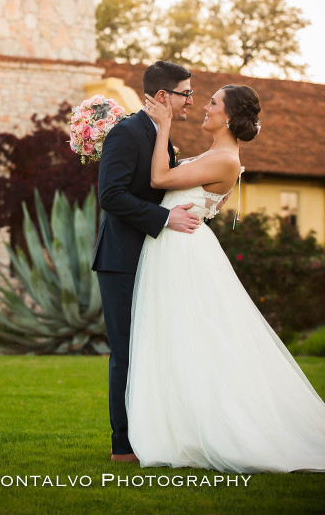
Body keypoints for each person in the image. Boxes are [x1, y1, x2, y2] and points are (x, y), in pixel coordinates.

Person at [126, 84, 325, 472]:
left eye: (213, 103)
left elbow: (160, 179)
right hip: (174, 243)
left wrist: (164, 124)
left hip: (182, 250)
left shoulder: (226, 160)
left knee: (194, 336)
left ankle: (215, 428)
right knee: (173, 335)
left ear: (229, 116)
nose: (205, 107)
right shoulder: (215, 154)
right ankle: (179, 425)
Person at [92, 61, 200, 462]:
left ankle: (153, 434)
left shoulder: (161, 137)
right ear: (161, 97)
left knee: (152, 348)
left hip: (155, 258)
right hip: (121, 259)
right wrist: (165, 218)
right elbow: (111, 196)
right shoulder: (126, 132)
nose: (191, 100)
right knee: (127, 352)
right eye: (185, 93)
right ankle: (123, 446)